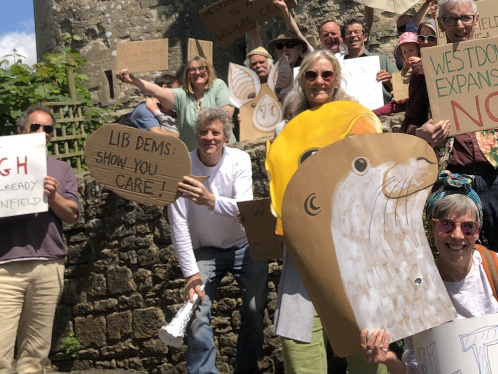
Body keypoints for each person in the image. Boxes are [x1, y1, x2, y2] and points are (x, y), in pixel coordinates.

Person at [401, 0, 498, 290]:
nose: (460, 26)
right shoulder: (425, 70)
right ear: (441, 21)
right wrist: (421, 135)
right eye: (451, 19)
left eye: (465, 18)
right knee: (456, 272)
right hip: (452, 180)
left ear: (476, 20)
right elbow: (408, 127)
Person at [358, 171, 498, 373]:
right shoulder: (418, 290)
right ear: (431, 229)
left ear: (477, 232)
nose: (458, 235)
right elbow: (419, 368)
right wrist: (389, 360)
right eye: (446, 225)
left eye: (468, 227)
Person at [0, 105, 80, 374]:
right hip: (1, 267)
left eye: (48, 129)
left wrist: (53, 196)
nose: (42, 132)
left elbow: (71, 214)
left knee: (35, 355)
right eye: (35, 127)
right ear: (20, 129)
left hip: (48, 265)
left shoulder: (60, 168)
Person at [169, 108, 268, 374]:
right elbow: (178, 223)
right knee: (196, 310)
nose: (209, 138)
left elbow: (245, 209)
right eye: (203, 132)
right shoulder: (182, 167)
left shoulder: (240, 159)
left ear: (226, 137)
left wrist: (210, 201)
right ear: (196, 135)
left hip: (244, 245)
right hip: (206, 251)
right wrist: (190, 274)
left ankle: (246, 369)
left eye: (215, 132)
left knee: (255, 308)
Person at [275, 50, 354, 373]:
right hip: (304, 246)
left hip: (350, 242)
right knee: (298, 334)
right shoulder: (285, 132)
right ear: (302, 80)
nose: (319, 81)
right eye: (311, 75)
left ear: (336, 80)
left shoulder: (354, 120)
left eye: (326, 74)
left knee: (365, 333)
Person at [117, 57, 234, 149]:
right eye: (192, 70)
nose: (197, 72)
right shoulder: (181, 95)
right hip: (194, 156)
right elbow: (158, 91)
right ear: (187, 74)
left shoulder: (217, 85)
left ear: (208, 70)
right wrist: (132, 80)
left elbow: (226, 113)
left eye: (201, 68)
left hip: (223, 149)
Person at [342, 17, 396, 101]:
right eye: (349, 33)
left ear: (365, 37)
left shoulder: (381, 60)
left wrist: (389, 82)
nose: (353, 35)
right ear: (344, 39)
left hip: (383, 112)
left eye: (357, 32)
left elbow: (401, 89)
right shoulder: (340, 64)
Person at [127, 72, 181, 136]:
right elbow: (158, 134)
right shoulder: (144, 109)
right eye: (176, 91)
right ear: (165, 88)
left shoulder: (171, 108)